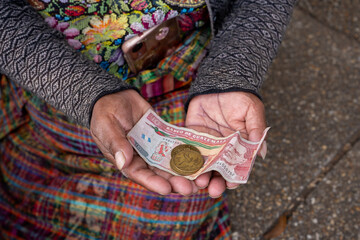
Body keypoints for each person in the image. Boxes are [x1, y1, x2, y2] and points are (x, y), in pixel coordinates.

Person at [0, 0, 296, 239]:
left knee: (173, 209)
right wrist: (85, 93)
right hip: (59, 81)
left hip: (194, 77)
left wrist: (231, 75)